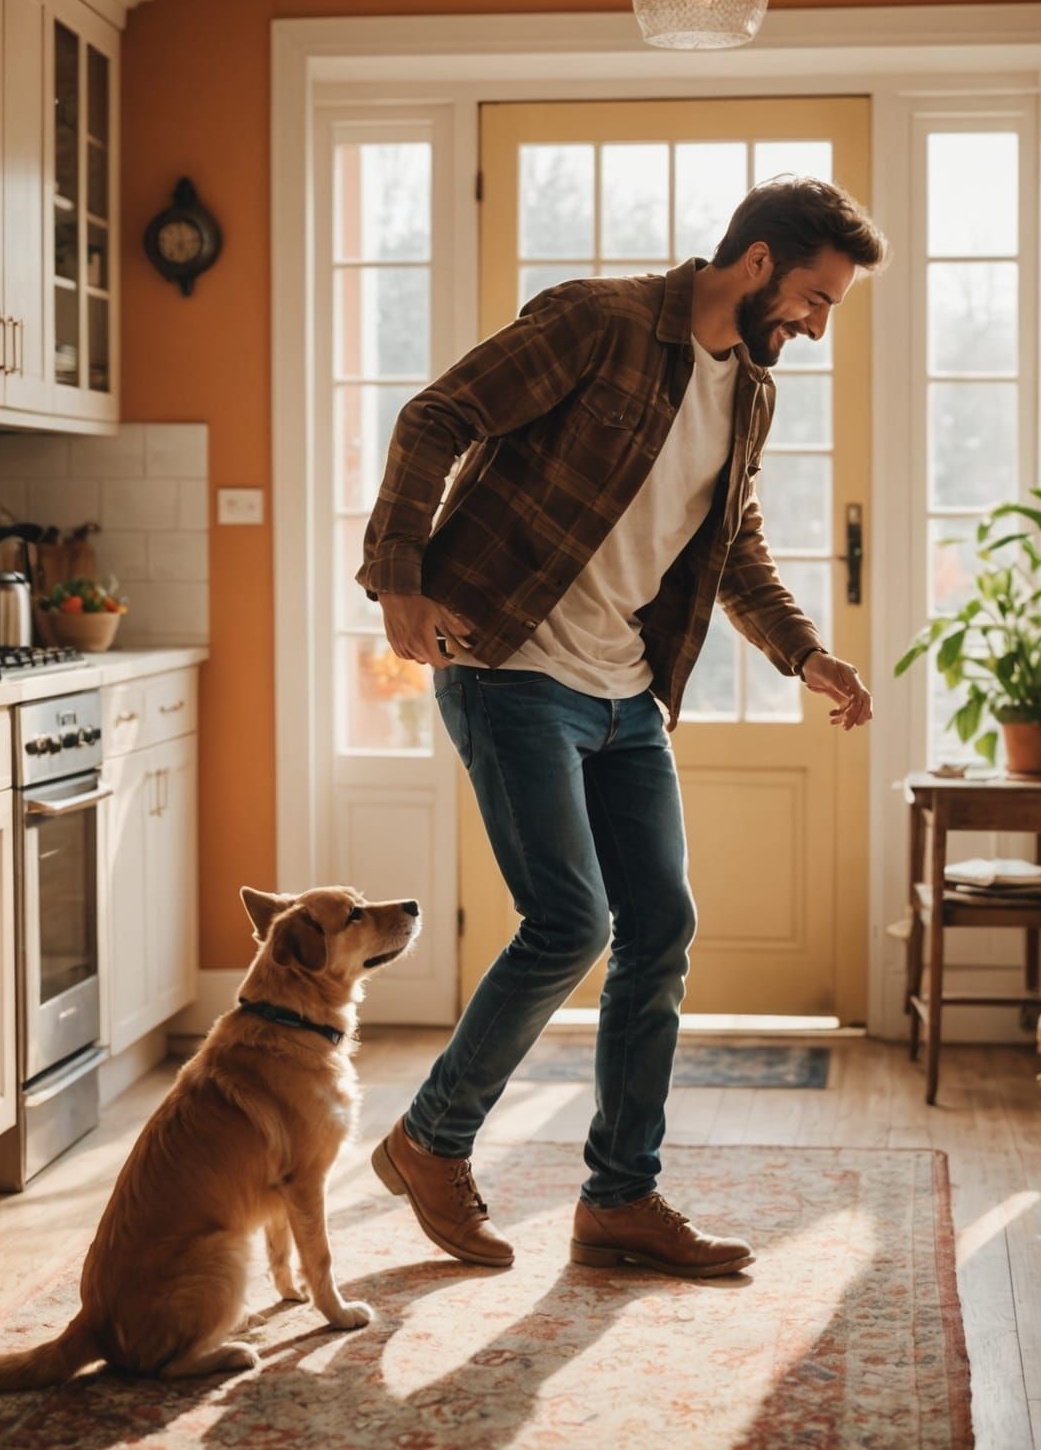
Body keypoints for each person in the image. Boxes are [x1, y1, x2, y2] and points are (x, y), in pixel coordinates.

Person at [358, 176, 885, 1279]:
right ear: (755, 265)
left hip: (628, 693)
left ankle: (620, 1199)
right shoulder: (598, 322)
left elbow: (731, 548)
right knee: (569, 921)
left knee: (661, 931)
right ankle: (429, 1141)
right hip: (508, 664)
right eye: (813, 299)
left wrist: (805, 653)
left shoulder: (751, 395)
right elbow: (435, 417)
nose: (816, 326)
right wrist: (398, 581)